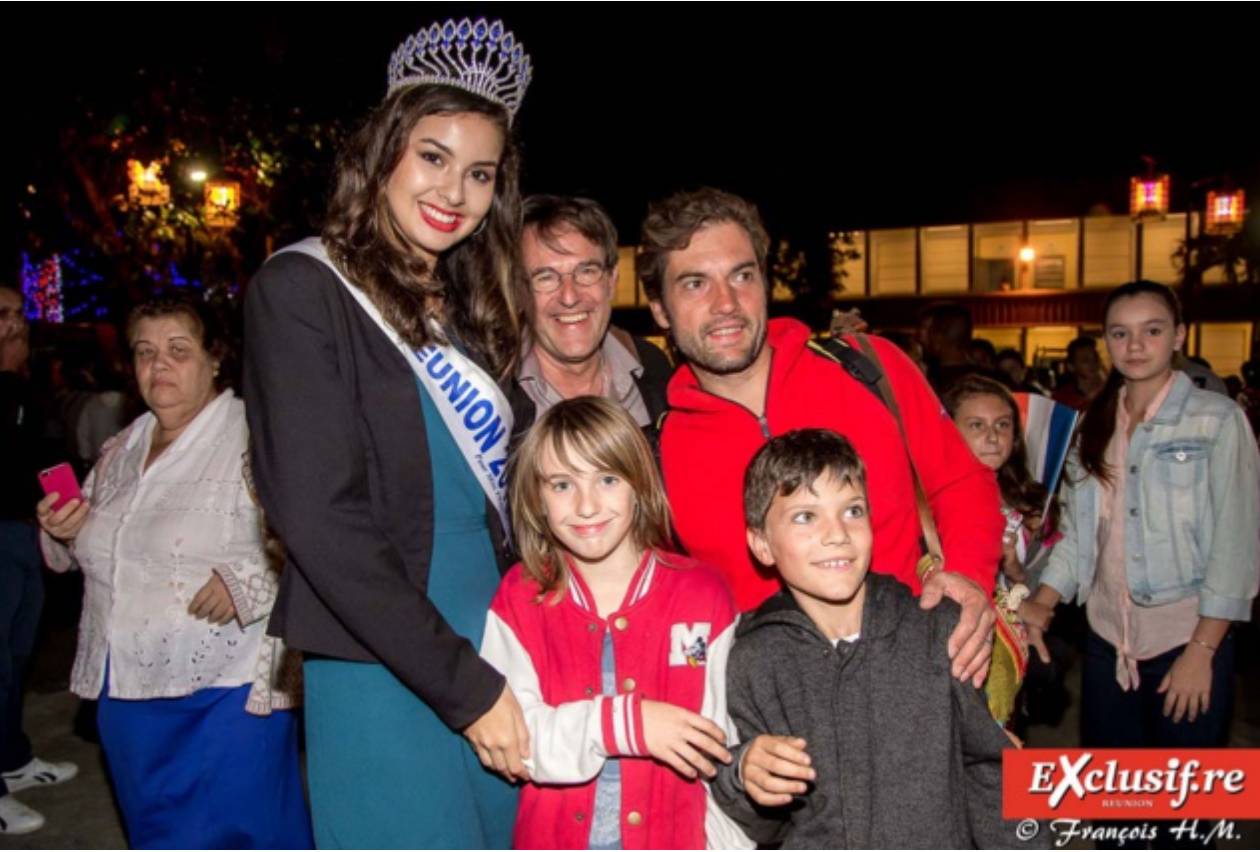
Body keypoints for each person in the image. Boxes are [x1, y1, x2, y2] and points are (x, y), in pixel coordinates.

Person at [243, 17, 533, 848]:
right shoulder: (304, 290)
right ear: (383, 155)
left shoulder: (475, 309)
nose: (455, 192)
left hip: (500, 630)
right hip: (383, 648)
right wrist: (466, 688)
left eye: (480, 173)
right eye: (433, 157)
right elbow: (318, 517)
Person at [638, 187, 1000, 686]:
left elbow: (960, 481)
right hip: (776, 721)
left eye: (742, 276)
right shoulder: (657, 453)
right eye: (695, 283)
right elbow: (671, 609)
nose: (726, 303)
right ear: (659, 309)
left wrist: (968, 577)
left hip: (922, 678)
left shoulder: (869, 368)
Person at [35, 295, 310, 849]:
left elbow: (314, 536)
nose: (158, 365)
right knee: (157, 832)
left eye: (178, 350)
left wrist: (248, 583)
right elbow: (89, 546)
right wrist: (61, 531)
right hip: (127, 690)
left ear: (215, 360)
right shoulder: (121, 447)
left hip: (225, 690)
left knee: (248, 829)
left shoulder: (256, 435)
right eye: (145, 351)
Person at [711, 429, 1033, 849]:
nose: (837, 533)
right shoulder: (754, 657)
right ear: (762, 545)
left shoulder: (935, 632)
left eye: (853, 510)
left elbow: (991, 768)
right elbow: (763, 825)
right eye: (806, 517)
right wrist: (742, 774)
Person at [1027, 280, 1260, 847]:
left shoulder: (1216, 420)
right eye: (1120, 333)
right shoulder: (1092, 425)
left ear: (1178, 336)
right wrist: (1043, 600)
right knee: (1114, 812)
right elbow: (1081, 536)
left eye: (1152, 330)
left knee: (1185, 815)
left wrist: (1202, 652)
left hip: (1185, 641)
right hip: (1108, 647)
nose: (1135, 345)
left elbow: (1237, 543)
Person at [480, 396, 751, 850]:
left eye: (607, 479)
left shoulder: (703, 595)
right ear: (536, 497)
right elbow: (513, 743)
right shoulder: (519, 597)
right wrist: (624, 724)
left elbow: (725, 745)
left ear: (639, 485)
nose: (586, 506)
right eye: (562, 485)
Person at [942, 374, 1071, 731]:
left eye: (1002, 425)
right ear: (949, 431)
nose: (992, 435)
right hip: (953, 649)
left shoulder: (1030, 502)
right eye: (976, 425)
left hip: (1008, 652)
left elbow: (1038, 589)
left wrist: (1015, 572)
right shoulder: (933, 499)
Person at [0, 285, 78, 836]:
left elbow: (49, 455)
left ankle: (12, 759)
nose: (17, 325)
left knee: (14, 660)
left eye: (19, 313)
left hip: (27, 536)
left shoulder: (24, 385)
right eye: (2, 316)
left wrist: (75, 518)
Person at [512, 195, 673, 434]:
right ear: (519, 292)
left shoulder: (653, 369)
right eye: (545, 277)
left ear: (612, 281)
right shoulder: (492, 397)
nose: (570, 297)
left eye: (586, 271)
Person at [918, 300, 1015, 396]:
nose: (921, 337)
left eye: (928, 331)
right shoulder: (999, 382)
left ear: (937, 339)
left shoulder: (928, 384)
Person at [1051, 335, 1106, 411]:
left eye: (1095, 358)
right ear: (1071, 366)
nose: (1092, 363)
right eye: (1085, 360)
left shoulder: (1110, 394)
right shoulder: (1061, 399)